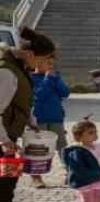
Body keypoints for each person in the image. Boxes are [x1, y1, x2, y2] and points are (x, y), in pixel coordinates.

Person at [0, 27, 55, 202]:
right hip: (3, 136)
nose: (42, 65)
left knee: (9, 178)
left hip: (10, 134)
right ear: (31, 54)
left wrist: (30, 122)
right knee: (2, 179)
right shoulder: (6, 72)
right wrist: (4, 140)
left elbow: (17, 103)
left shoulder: (19, 68)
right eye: (43, 59)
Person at [30, 55, 70, 188]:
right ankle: (36, 176)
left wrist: (55, 79)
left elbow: (65, 92)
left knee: (62, 146)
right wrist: (47, 79)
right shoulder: (31, 79)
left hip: (56, 117)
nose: (51, 67)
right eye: (48, 63)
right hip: (38, 119)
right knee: (38, 148)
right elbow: (38, 96)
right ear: (38, 63)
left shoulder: (54, 77)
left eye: (52, 64)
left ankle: (70, 173)